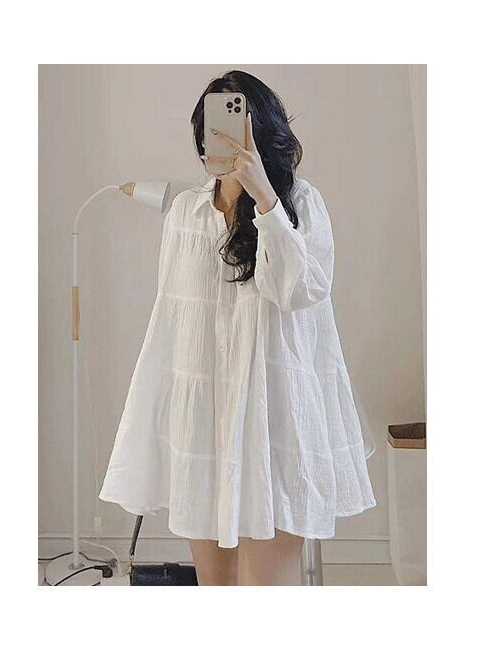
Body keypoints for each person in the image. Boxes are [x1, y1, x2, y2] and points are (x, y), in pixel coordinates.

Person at [99, 70, 376, 586]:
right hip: (204, 426)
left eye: (235, 123)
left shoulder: (301, 204)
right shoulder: (186, 212)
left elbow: (298, 292)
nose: (219, 136)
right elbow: (174, 322)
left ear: (261, 130)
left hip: (275, 422)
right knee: (216, 588)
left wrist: (265, 198)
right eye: (212, 126)